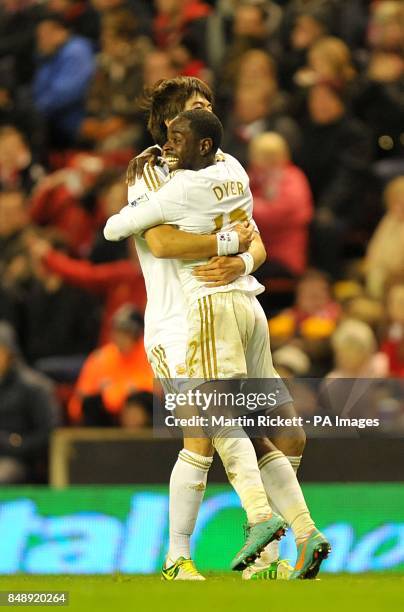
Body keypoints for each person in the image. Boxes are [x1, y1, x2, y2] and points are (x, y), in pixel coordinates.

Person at [105, 108, 330, 579]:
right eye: (173, 126)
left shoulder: (192, 178)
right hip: (206, 317)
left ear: (204, 140)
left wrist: (237, 256)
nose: (175, 137)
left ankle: (263, 532)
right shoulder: (214, 171)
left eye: (189, 126)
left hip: (213, 307)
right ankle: (281, 540)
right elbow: (189, 242)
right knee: (230, 432)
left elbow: (134, 234)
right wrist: (234, 246)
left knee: (242, 428)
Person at [68, 305, 153, 424]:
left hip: (145, 423)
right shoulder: (100, 358)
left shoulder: (151, 355)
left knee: (139, 401)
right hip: (107, 420)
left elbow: (156, 389)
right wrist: (115, 395)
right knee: (92, 405)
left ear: (138, 335)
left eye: (127, 332)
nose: (121, 337)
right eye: (117, 331)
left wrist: (115, 392)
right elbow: (78, 403)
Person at [0, 321, 57, 483]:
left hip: (20, 462)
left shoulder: (34, 387)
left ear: (10, 353)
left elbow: (48, 433)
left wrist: (15, 445)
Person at [33, 11, 95, 147]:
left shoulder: (76, 50)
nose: (41, 40)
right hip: (56, 119)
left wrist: (37, 108)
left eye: (45, 35)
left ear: (60, 31)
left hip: (76, 118)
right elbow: (38, 89)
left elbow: (67, 93)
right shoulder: (51, 54)